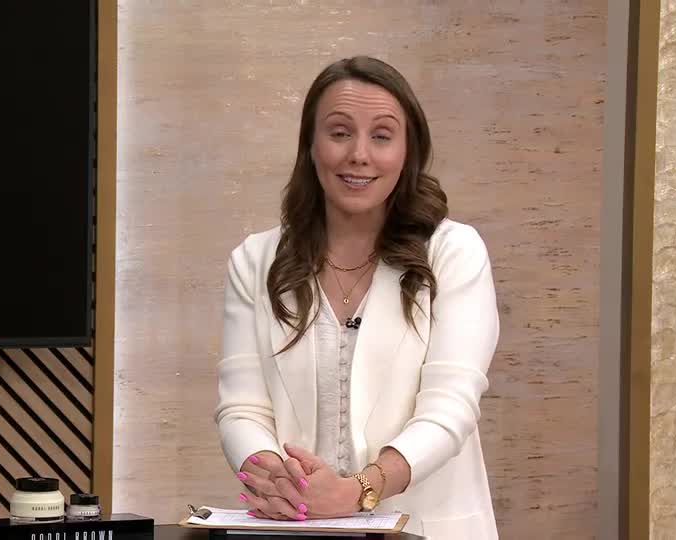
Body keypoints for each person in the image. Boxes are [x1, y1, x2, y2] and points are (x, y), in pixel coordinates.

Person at [214, 56, 500, 539]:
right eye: (340, 132)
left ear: (408, 152)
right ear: (310, 145)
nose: (359, 155)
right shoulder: (255, 260)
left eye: (382, 135)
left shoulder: (454, 252)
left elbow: (451, 408)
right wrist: (280, 481)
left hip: (427, 527)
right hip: (299, 527)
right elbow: (242, 409)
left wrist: (358, 490)